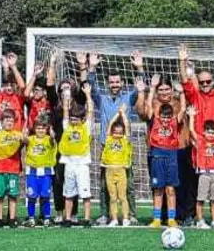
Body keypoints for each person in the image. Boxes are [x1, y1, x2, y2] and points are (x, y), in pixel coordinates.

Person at [84, 50, 146, 223]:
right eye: (111, 82)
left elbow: (140, 87)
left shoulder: (128, 97)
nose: (115, 84)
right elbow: (90, 85)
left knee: (129, 184)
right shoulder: (101, 99)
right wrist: (92, 67)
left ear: (122, 82)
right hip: (106, 148)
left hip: (124, 148)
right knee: (104, 184)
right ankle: (105, 215)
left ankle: (131, 215)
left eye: (117, 81)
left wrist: (140, 68)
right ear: (108, 84)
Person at [143, 80, 182, 228]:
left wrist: (181, 93)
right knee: (158, 189)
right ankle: (157, 219)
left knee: (170, 189)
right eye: (163, 117)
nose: (165, 119)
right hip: (157, 158)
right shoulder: (155, 120)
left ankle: (172, 218)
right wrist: (152, 88)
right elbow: (148, 107)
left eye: (168, 117)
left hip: (171, 158)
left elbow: (183, 108)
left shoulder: (174, 122)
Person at [58, 86, 95, 226]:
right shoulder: (67, 126)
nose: (73, 121)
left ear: (82, 119)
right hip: (69, 164)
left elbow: (90, 110)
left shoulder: (86, 127)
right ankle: (67, 218)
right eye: (72, 118)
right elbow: (66, 112)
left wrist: (88, 95)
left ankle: (86, 218)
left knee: (85, 193)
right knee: (68, 193)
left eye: (76, 119)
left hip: (82, 165)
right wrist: (66, 100)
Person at [0, 102, 26, 227]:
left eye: (11, 120)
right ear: (1, 121)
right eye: (6, 120)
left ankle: (12, 218)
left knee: (13, 195)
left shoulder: (17, 134)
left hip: (13, 169)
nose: (9, 123)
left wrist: (24, 137)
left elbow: (27, 141)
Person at [99, 108, 133, 226]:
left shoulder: (124, 140)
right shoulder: (109, 139)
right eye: (116, 132)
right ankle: (114, 218)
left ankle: (125, 218)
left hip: (121, 170)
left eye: (120, 132)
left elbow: (127, 127)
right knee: (112, 197)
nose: (118, 134)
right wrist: (116, 114)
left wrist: (122, 114)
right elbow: (109, 126)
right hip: (109, 170)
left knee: (122, 196)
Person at [23, 111, 57, 226]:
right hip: (32, 172)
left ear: (46, 129)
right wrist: (24, 133)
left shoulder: (49, 139)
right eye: (38, 128)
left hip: (46, 172)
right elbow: (24, 140)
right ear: (35, 129)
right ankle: (31, 217)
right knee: (31, 196)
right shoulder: (31, 139)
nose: (40, 130)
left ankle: (47, 217)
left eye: (43, 128)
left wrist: (52, 136)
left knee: (45, 196)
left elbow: (53, 142)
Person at [193, 117, 214, 228]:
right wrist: (192, 116)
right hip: (204, 174)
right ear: (204, 132)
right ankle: (200, 220)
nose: (211, 134)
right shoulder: (201, 141)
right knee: (201, 198)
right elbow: (192, 131)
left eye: (213, 132)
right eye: (208, 132)